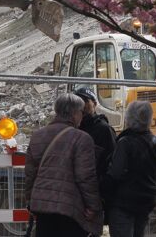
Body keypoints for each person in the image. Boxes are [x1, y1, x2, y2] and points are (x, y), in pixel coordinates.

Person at [25, 92, 102, 237]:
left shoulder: (37, 136)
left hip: (43, 207)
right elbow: (85, 177)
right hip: (70, 208)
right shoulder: (82, 139)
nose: (82, 116)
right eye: (81, 112)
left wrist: (30, 199)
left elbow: (30, 172)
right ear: (74, 114)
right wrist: (93, 206)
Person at [102, 100, 156, 237]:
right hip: (146, 201)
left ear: (129, 118)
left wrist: (103, 189)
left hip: (123, 203)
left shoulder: (125, 142)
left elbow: (115, 173)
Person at [74, 86, 117, 178]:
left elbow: (112, 160)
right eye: (78, 102)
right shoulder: (73, 128)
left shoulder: (104, 129)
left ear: (94, 104)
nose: (82, 106)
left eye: (85, 101)